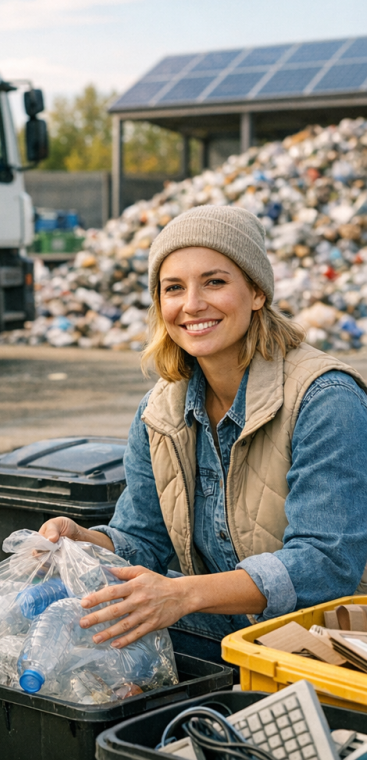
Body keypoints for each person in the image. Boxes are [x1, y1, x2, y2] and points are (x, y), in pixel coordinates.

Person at [41, 205, 367, 667]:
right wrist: (86, 542)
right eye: (174, 288)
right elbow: (143, 539)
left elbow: (326, 563)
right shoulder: (160, 410)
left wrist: (182, 595)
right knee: (68, 629)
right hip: (236, 631)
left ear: (256, 292)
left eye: (214, 282)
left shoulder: (325, 398)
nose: (192, 304)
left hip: (334, 644)